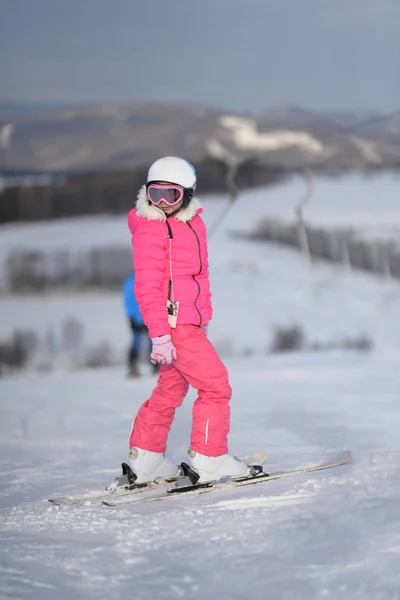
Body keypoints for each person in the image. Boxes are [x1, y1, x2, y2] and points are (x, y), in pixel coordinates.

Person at [125, 156, 250, 484]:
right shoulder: (150, 230)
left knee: (170, 388)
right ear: (146, 193)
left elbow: (200, 274)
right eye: (156, 195)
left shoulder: (194, 224)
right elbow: (148, 289)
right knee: (216, 386)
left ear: (188, 195)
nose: (163, 204)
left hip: (189, 323)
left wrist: (202, 319)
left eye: (172, 195)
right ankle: (210, 457)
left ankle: (146, 458)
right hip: (172, 325)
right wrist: (160, 335)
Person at [122, 273, 158, 377]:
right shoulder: (132, 282)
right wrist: (131, 316)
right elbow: (128, 301)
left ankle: (155, 366)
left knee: (150, 342)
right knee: (138, 342)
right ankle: (134, 366)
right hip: (139, 317)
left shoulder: (131, 281)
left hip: (145, 317)